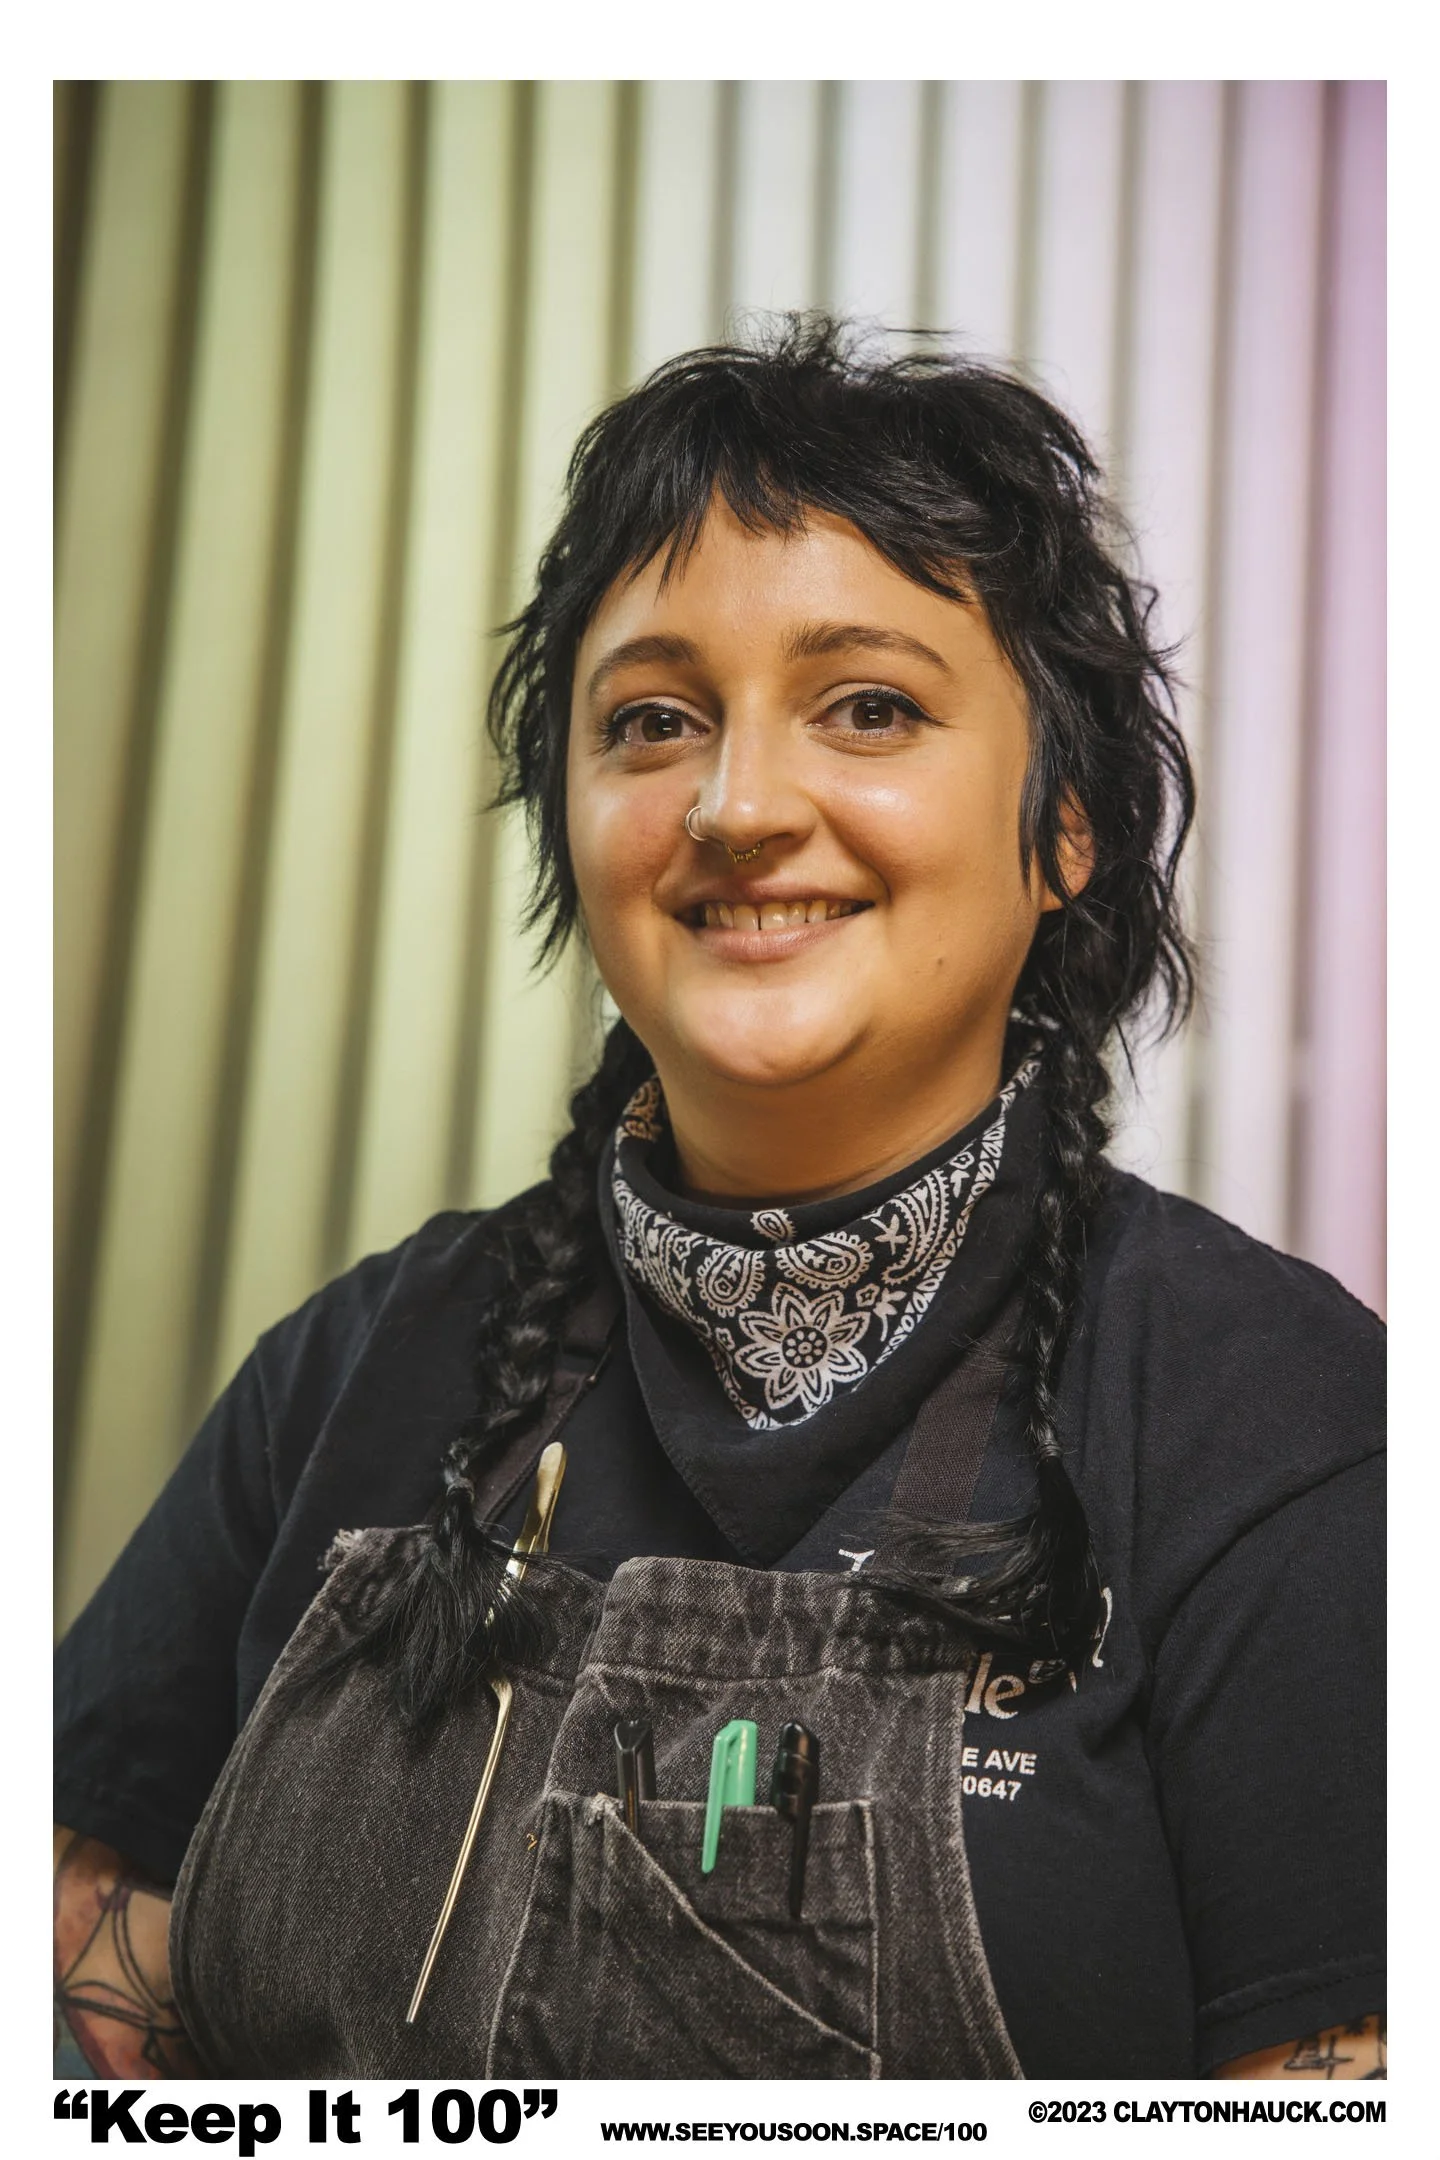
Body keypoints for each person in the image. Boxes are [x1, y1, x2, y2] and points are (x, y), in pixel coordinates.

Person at [54, 318, 1384, 2083]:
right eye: (655, 722)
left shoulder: (1278, 1418)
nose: (739, 805)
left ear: (1067, 824)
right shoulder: (354, 1366)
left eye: (870, 708)